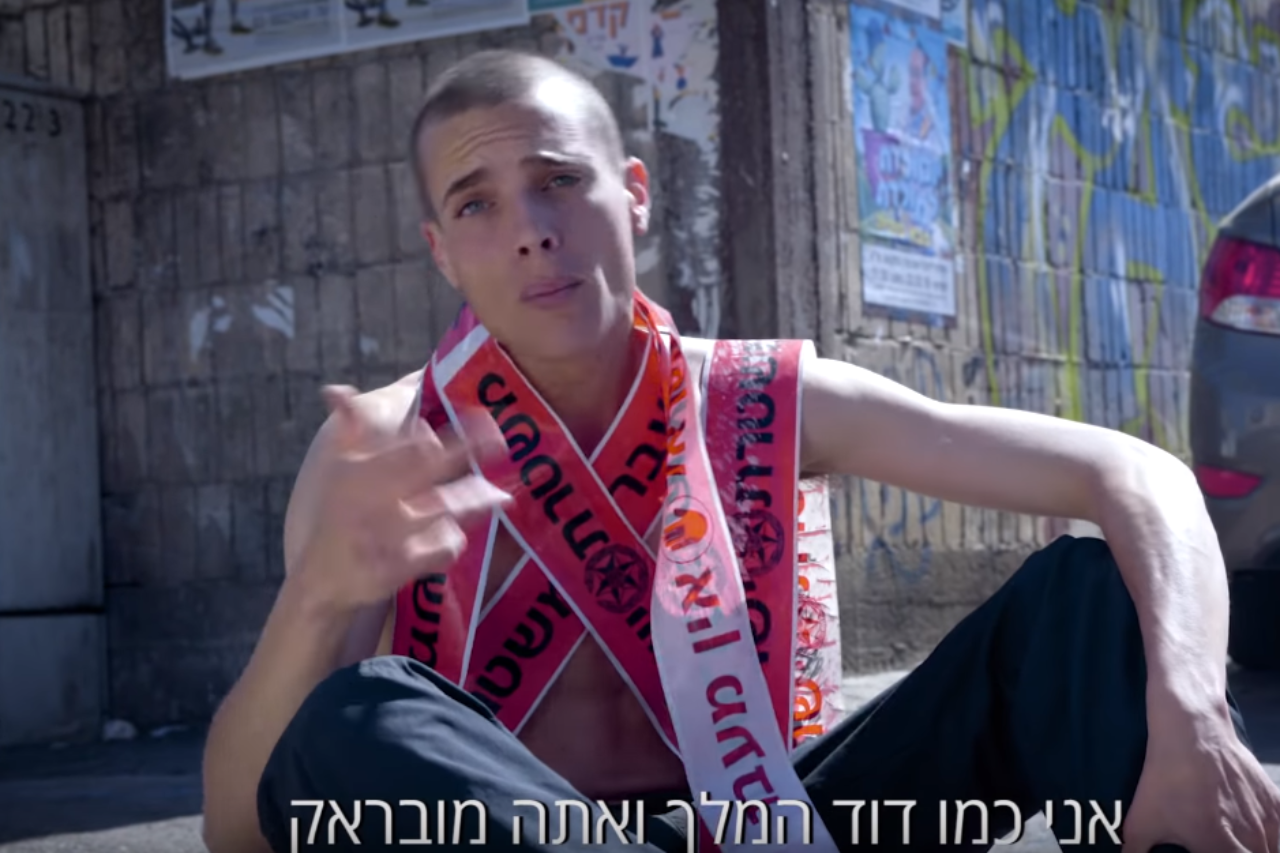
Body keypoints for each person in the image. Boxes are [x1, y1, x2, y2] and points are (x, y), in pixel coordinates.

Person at [200, 48, 1280, 853]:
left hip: (775, 821)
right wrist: (316, 601)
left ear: (633, 192)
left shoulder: (757, 397)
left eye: (558, 179)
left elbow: (1135, 473)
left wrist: (1192, 715)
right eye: (477, 203)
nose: (529, 228)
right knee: (354, 714)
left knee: (1088, 598)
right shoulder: (386, 448)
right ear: (441, 252)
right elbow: (238, 827)